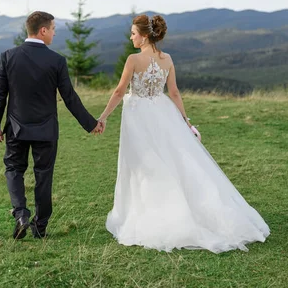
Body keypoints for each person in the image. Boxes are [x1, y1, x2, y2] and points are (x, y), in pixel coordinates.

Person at [98, 14, 270, 253]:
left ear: (145, 36)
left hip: (139, 116)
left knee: (142, 164)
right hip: (162, 112)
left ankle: (153, 214)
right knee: (172, 160)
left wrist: (103, 117)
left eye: (134, 33)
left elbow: (119, 91)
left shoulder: (134, 59)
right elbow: (175, 92)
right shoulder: (167, 59)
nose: (131, 37)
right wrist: (185, 121)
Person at [0, 11, 104, 240]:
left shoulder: (8, 57)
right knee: (44, 176)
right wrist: (90, 124)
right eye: (52, 29)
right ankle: (39, 227)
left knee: (13, 169)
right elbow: (69, 97)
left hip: (16, 129)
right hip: (46, 130)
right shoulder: (57, 60)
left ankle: (20, 213)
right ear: (43, 30)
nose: (53, 34)